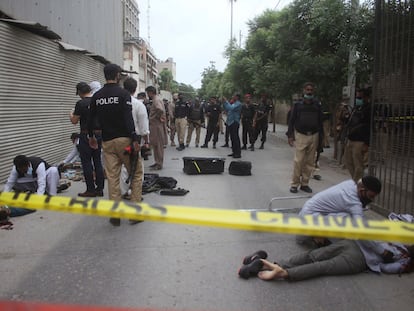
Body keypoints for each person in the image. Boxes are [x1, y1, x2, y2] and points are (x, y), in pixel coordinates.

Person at [88, 63, 142, 226]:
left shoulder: (97, 96)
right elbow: (128, 118)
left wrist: (91, 136)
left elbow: (91, 119)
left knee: (112, 177)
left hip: (107, 142)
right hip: (125, 141)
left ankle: (115, 214)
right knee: (136, 174)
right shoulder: (123, 94)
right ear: (117, 75)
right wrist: (134, 139)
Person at [238, 240, 414, 281]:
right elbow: (385, 268)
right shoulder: (403, 257)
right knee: (322, 266)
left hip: (352, 244)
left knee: (313, 255)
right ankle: (282, 272)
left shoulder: (394, 238)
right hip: (358, 259)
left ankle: (268, 263)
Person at [297, 175, 382, 246]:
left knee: (347, 216)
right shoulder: (353, 202)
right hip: (309, 220)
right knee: (348, 219)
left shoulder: (350, 183)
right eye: (371, 196)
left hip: (307, 214)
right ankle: (319, 237)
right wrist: (382, 251)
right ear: (362, 191)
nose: (372, 200)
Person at [287, 82, 324, 194]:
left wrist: (321, 139)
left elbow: (320, 122)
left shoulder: (317, 105)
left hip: (314, 135)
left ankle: (305, 184)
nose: (309, 92)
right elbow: (291, 121)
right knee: (298, 161)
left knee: (310, 162)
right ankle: (294, 184)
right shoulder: (298, 105)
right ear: (304, 91)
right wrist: (290, 135)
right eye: (307, 90)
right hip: (301, 135)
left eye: (311, 90)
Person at [71, 82, 105, 197]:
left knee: (86, 163)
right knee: (97, 161)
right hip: (99, 134)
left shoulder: (80, 103)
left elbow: (74, 121)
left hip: (86, 135)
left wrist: (71, 114)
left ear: (80, 92)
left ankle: (90, 189)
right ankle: (100, 189)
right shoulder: (98, 101)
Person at [120, 78, 149, 201]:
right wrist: (146, 142)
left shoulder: (118, 103)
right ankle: (135, 194)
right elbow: (143, 127)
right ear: (135, 89)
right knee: (137, 169)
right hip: (135, 141)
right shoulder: (138, 105)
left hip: (119, 139)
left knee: (123, 167)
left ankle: (123, 191)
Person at [343, 88, 372, 182]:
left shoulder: (369, 109)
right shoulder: (356, 108)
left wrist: (367, 143)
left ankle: (356, 185)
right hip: (351, 139)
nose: (357, 99)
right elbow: (350, 122)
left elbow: (370, 127)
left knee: (358, 165)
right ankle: (355, 181)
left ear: (366, 97)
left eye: (360, 97)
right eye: (357, 97)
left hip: (360, 141)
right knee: (348, 162)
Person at [146, 85, 166, 170]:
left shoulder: (156, 100)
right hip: (155, 125)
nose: (147, 95)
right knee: (155, 145)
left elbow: (160, 109)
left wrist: (158, 117)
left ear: (150, 92)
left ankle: (159, 163)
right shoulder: (156, 99)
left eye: (148, 93)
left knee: (158, 145)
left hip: (156, 125)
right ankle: (157, 162)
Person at [223, 94, 242, 158]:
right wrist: (224, 103)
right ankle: (234, 152)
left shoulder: (238, 104)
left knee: (235, 138)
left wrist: (226, 101)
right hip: (230, 122)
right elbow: (228, 109)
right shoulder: (233, 103)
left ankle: (238, 153)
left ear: (237, 97)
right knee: (232, 138)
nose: (232, 97)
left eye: (233, 96)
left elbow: (231, 108)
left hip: (235, 122)